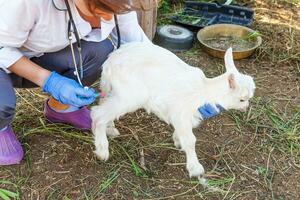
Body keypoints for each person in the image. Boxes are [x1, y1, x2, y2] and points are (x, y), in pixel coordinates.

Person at [0, 0, 222, 166]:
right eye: (98, 11)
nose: (106, 19)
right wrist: (49, 80)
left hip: (35, 53)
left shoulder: (116, 2)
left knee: (100, 52)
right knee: (3, 104)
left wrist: (188, 87)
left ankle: (60, 109)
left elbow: (139, 46)